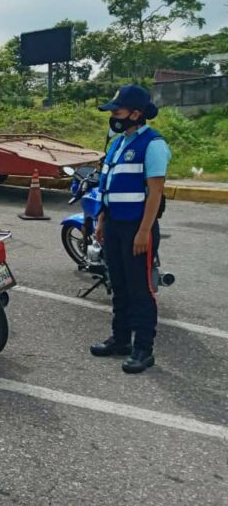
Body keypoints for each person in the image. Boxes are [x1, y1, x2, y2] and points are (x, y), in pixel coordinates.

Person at [90, 85, 171, 374]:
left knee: (140, 290)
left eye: (118, 111)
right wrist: (102, 221)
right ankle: (121, 339)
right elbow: (108, 187)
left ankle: (143, 349)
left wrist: (144, 231)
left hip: (138, 228)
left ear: (136, 113)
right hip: (114, 224)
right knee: (119, 285)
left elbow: (155, 193)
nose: (113, 116)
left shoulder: (153, 144)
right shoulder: (118, 143)